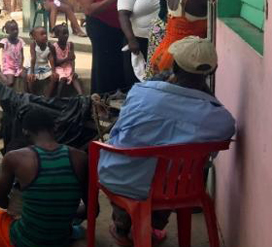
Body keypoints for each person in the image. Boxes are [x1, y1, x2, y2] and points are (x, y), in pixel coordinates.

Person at [98, 37, 235, 246]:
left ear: (174, 67)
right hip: (175, 189)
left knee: (125, 162)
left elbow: (120, 131)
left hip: (123, 179)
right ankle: (152, 227)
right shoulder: (218, 119)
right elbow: (226, 128)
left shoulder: (141, 92)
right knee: (171, 173)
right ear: (211, 73)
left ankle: (122, 226)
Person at [0, 109, 88, 247]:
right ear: (55, 126)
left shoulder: (14, 158)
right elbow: (93, 210)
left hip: (27, 240)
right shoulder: (81, 157)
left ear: (25, 131)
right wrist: (60, 211)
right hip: (61, 239)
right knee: (78, 229)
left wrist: (30, 212)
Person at [73, 0, 129, 94]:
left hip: (119, 27)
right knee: (105, 66)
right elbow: (89, 10)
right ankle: (102, 101)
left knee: (120, 64)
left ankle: (121, 98)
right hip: (101, 28)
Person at [118, 0, 160, 86]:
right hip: (138, 41)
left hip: (161, 39)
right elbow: (123, 15)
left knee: (159, 79)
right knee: (137, 80)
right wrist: (131, 40)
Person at [45, 24, 83, 97]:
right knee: (63, 79)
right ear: (57, 35)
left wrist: (73, 70)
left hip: (68, 67)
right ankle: (58, 97)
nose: (66, 35)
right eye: (64, 33)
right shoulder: (54, 47)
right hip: (58, 68)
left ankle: (81, 95)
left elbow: (72, 59)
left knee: (74, 77)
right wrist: (67, 59)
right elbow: (55, 63)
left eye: (67, 33)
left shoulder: (70, 45)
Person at [0, 20, 26, 90]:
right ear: (7, 31)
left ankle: (25, 94)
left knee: (25, 75)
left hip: (17, 66)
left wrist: (21, 65)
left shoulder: (20, 41)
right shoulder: (4, 42)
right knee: (10, 82)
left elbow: (22, 55)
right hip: (8, 67)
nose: (15, 31)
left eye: (16, 29)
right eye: (13, 30)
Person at [27, 27, 53, 94]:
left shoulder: (49, 45)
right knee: (30, 78)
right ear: (35, 37)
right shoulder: (33, 44)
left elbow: (51, 58)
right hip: (34, 65)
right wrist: (32, 72)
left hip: (44, 65)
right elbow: (33, 58)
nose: (45, 36)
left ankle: (47, 96)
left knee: (53, 78)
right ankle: (32, 94)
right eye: (42, 34)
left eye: (45, 34)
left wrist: (54, 70)